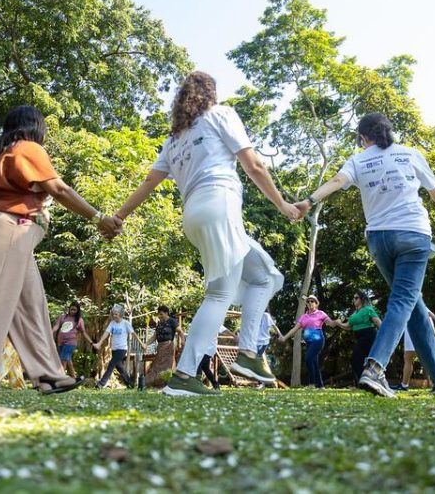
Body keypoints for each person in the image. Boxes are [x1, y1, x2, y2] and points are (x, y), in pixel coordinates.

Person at [111, 71, 299, 396]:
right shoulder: (220, 114)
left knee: (264, 275)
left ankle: (242, 355)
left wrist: (118, 217)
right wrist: (283, 205)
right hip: (218, 204)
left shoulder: (173, 140)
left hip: (193, 216)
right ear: (210, 93)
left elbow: (148, 183)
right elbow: (254, 165)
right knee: (220, 294)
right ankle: (199, 372)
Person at [0, 105, 122, 396]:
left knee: (31, 308)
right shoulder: (28, 148)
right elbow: (60, 190)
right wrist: (99, 218)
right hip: (12, 230)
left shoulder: (1, 158)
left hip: (14, 235)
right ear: (35, 127)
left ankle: (49, 375)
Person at [295, 112, 435, 397]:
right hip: (413, 234)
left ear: (364, 137)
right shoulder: (411, 154)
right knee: (404, 300)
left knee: (414, 306)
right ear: (389, 131)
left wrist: (308, 201)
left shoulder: (360, 159)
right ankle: (375, 368)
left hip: (380, 239)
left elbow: (338, 181)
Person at [280, 295, 337, 388]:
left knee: (308, 358)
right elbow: (295, 329)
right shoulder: (304, 317)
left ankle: (311, 383)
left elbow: (331, 323)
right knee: (314, 362)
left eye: (312, 301)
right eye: (308, 301)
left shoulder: (321, 313)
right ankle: (320, 385)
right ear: (307, 304)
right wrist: (284, 337)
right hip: (309, 342)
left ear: (316, 303)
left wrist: (337, 322)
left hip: (318, 340)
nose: (310, 303)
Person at [93, 304, 145, 389]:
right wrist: (99, 343)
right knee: (119, 367)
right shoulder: (112, 323)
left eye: (116, 314)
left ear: (121, 314)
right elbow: (106, 333)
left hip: (122, 348)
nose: (114, 316)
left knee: (111, 364)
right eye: (113, 314)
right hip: (114, 349)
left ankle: (101, 384)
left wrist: (141, 343)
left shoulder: (125, 323)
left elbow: (133, 334)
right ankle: (130, 384)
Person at [335, 291, 381, 385]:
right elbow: (348, 326)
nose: (354, 300)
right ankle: (362, 383)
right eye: (353, 298)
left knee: (360, 359)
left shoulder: (368, 309)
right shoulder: (354, 313)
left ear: (362, 299)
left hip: (369, 336)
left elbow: (378, 322)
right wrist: (339, 323)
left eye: (356, 298)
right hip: (359, 338)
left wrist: (384, 337)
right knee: (359, 360)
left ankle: (365, 383)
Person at [392, 311, 435, 391]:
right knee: (410, 357)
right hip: (414, 325)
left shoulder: (412, 299)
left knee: (431, 356)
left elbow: (425, 310)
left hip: (420, 324)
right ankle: (404, 385)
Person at [144, 305, 185, 388]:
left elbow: (180, 331)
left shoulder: (172, 321)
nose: (159, 316)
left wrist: (183, 342)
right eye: (158, 314)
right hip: (160, 347)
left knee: (167, 366)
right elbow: (154, 336)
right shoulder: (159, 324)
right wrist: (146, 344)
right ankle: (154, 383)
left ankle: (168, 384)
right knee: (157, 365)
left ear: (166, 313)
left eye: (161, 314)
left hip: (168, 346)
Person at [52, 301, 93, 378]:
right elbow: (56, 326)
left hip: (70, 343)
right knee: (68, 360)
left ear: (77, 311)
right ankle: (74, 378)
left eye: (74, 310)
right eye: (71, 309)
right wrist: (51, 332)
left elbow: (83, 332)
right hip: (61, 342)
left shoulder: (79, 320)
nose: (73, 311)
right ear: (69, 308)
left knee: (63, 361)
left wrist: (91, 342)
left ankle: (60, 380)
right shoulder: (63, 317)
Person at [197, 325, 238, 390]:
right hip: (204, 348)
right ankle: (215, 385)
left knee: (198, 364)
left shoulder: (214, 321)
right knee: (205, 368)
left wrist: (234, 336)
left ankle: (198, 384)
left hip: (208, 348)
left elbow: (225, 330)